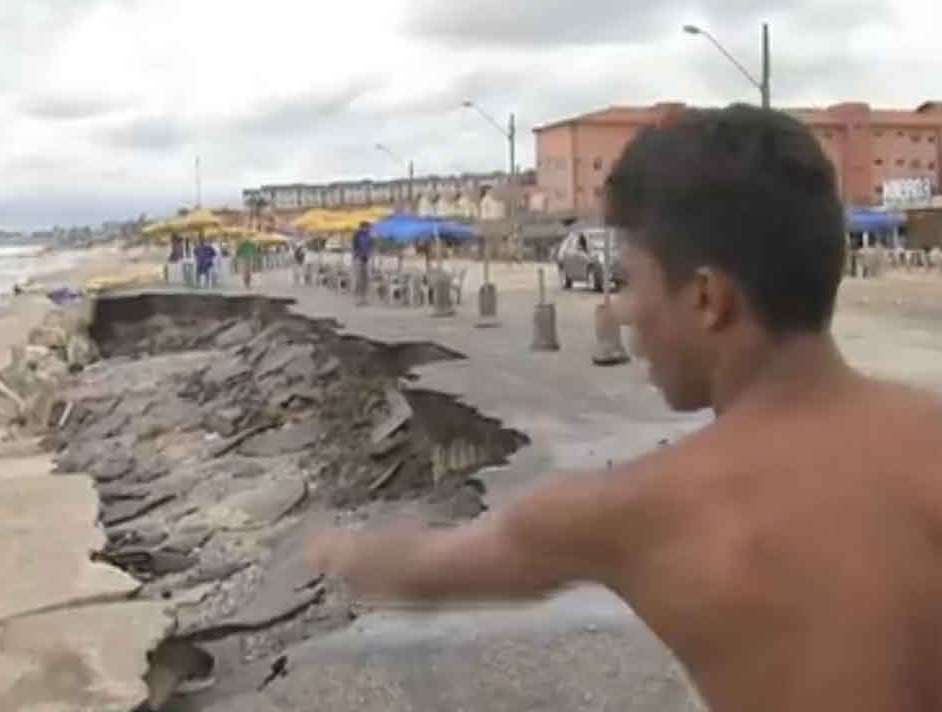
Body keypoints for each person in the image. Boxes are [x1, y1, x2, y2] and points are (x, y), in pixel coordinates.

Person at [309, 105, 942, 711]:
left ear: (705, 299)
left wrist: (336, 551)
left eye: (633, 281)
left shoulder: (643, 512)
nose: (620, 309)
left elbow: (425, 570)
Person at [351, 220, 373, 306]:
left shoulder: (369, 236)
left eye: (368, 228)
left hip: (366, 259)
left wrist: (369, 253)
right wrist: (359, 255)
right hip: (358, 259)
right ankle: (359, 299)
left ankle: (365, 299)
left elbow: (371, 246)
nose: (368, 229)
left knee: (366, 279)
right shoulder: (357, 235)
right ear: (363, 227)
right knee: (359, 279)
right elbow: (355, 247)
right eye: (367, 227)